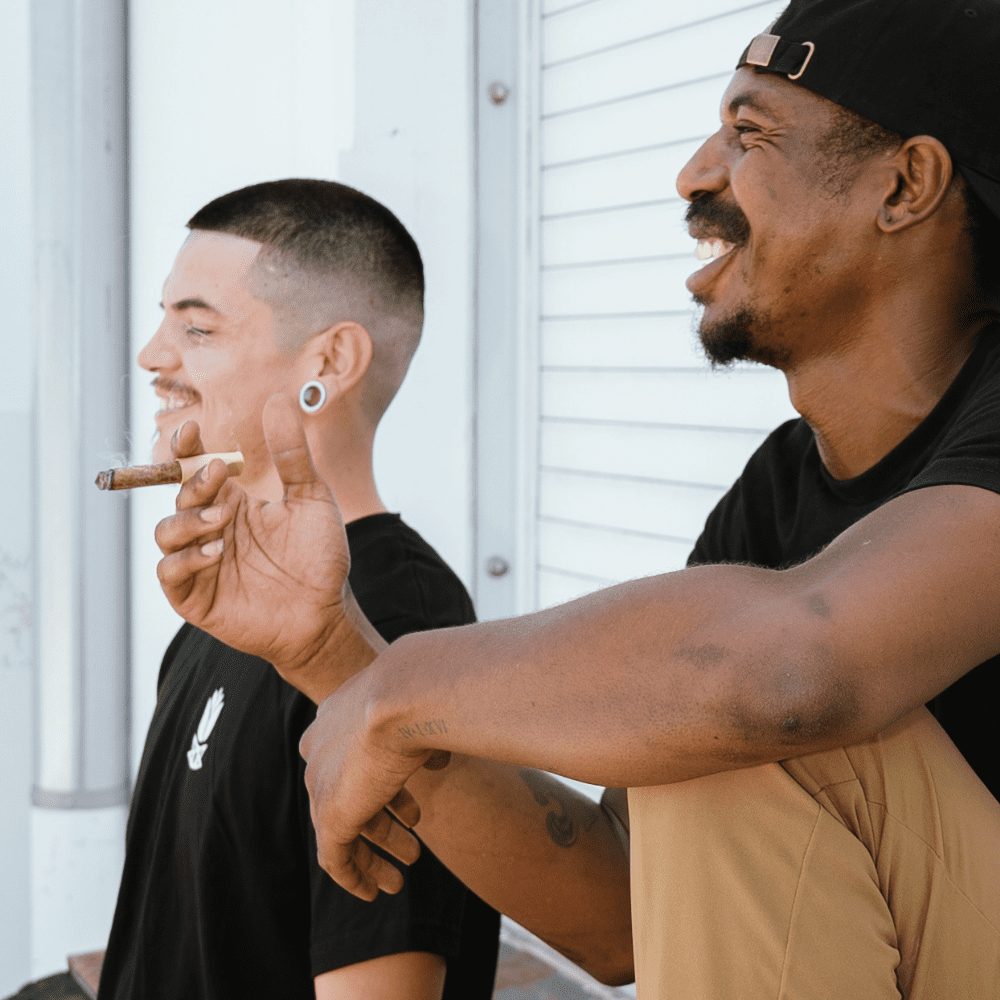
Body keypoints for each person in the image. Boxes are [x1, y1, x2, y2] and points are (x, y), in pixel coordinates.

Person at [150, 1, 1000, 997]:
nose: (693, 174)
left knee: (724, 712)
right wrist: (333, 654)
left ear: (904, 184)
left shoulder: (800, 613)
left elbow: (795, 670)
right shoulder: (772, 498)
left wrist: (406, 686)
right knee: (701, 725)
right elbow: (618, 918)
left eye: (749, 132)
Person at [71, 180, 498, 1000]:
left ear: (328, 362)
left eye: (195, 327)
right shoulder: (227, 596)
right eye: (164, 320)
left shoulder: (400, 626)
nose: (153, 356)